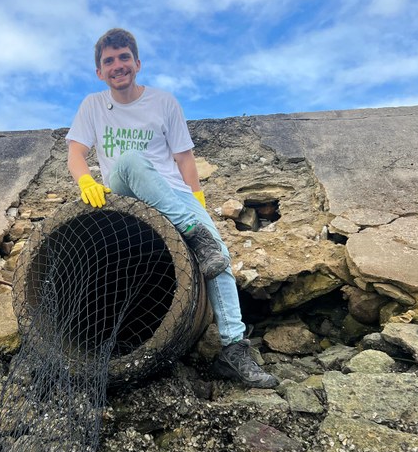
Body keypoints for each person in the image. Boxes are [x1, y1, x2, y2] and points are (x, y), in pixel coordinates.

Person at [66, 28, 278, 389]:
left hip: (172, 191)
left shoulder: (164, 102)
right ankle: (194, 233)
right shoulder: (93, 105)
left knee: (218, 254)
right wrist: (86, 182)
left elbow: (184, 158)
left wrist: (197, 199)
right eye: (109, 61)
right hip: (125, 192)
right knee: (131, 159)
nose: (118, 65)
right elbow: (76, 153)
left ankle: (233, 348)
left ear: (137, 63)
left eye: (124, 57)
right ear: (100, 72)